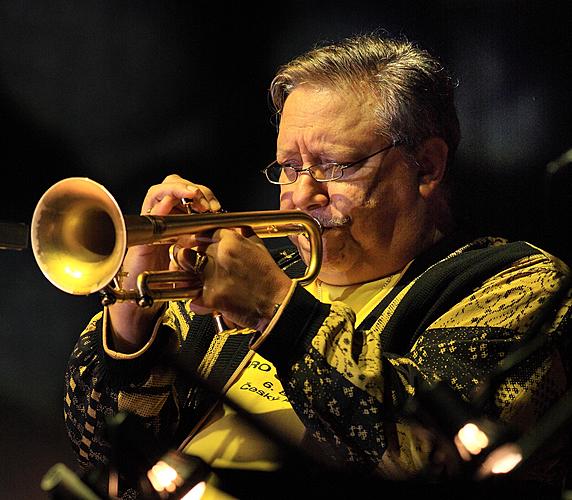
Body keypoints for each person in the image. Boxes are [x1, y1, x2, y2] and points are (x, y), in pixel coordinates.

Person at [62, 33, 572, 498]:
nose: (300, 196)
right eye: (288, 168)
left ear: (428, 166)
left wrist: (274, 309)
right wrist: (132, 313)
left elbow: (428, 458)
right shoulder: (260, 267)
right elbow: (98, 449)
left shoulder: (516, 283)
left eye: (337, 166)